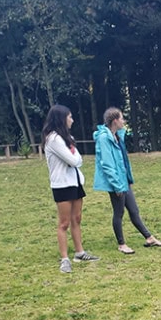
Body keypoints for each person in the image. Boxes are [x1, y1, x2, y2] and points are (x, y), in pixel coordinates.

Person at [93, 108, 161, 253]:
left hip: (123, 180)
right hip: (116, 183)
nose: (124, 121)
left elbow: (123, 161)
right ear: (115, 121)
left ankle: (149, 238)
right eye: (122, 118)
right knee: (118, 212)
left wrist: (128, 179)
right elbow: (107, 164)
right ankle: (121, 244)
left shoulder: (117, 136)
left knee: (134, 210)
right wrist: (117, 186)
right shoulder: (103, 138)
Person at [42, 104, 99, 273]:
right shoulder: (53, 139)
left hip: (74, 182)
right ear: (61, 118)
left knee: (77, 218)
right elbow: (74, 160)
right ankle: (65, 258)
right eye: (70, 117)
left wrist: (75, 155)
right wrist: (75, 156)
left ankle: (80, 252)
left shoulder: (67, 138)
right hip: (62, 185)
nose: (72, 120)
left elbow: (77, 159)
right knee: (64, 222)